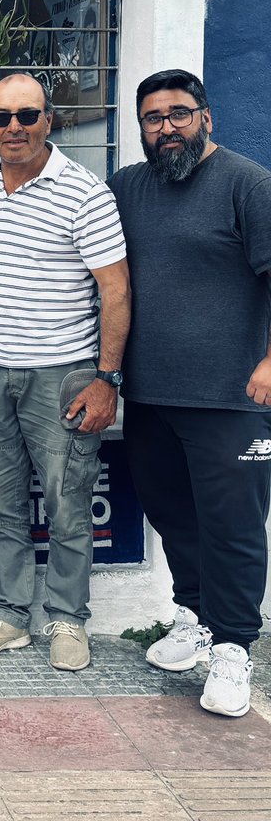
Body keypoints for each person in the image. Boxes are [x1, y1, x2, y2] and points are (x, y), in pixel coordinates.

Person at [0, 73, 130, 672]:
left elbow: (116, 291)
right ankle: (8, 616)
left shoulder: (85, 192)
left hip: (63, 372)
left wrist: (107, 379)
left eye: (28, 115)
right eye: (1, 117)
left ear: (50, 120)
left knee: (68, 501)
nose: (14, 128)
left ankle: (69, 620)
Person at [110, 69, 271, 718]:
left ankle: (234, 648)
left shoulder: (248, 184)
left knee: (232, 526)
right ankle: (197, 617)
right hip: (150, 394)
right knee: (172, 514)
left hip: (233, 397)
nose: (167, 127)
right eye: (153, 118)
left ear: (207, 117)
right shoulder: (127, 187)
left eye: (179, 113)